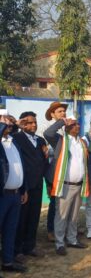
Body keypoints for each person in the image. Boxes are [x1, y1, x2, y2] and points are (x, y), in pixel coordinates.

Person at [44, 117, 89, 256]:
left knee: (74, 215)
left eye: (78, 124)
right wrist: (62, 121)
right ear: (67, 127)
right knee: (61, 215)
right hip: (65, 185)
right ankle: (59, 243)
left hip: (79, 184)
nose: (77, 126)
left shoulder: (81, 142)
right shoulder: (61, 141)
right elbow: (48, 133)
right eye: (74, 124)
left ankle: (72, 239)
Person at [13, 112, 48, 261]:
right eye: (29, 123)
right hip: (24, 186)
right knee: (21, 218)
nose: (33, 125)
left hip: (38, 184)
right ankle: (17, 249)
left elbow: (43, 161)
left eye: (35, 122)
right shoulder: (16, 138)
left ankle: (30, 246)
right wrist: (16, 126)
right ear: (22, 124)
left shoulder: (40, 140)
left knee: (34, 217)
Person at [0, 114, 28, 273]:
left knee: (11, 230)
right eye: (5, 125)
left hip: (16, 194)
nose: (8, 127)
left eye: (10, 126)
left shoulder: (13, 141)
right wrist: (6, 123)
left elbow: (20, 167)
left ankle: (8, 262)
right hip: (2, 195)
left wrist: (23, 189)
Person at [37, 101, 68, 242]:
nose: (63, 114)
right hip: (52, 171)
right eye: (59, 111)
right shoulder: (46, 128)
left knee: (65, 202)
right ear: (52, 114)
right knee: (54, 203)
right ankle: (51, 230)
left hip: (65, 171)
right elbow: (42, 149)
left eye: (63, 111)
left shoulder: (66, 127)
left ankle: (62, 228)